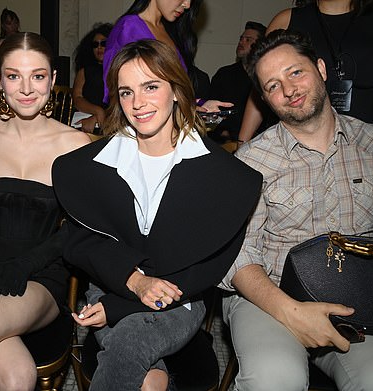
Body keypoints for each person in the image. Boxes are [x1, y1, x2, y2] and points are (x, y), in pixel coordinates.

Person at [220, 29, 373, 391]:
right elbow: (237, 256)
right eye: (273, 85)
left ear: (321, 69)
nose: (288, 90)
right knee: (275, 380)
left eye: (295, 72)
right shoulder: (252, 161)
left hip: (357, 293)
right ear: (265, 99)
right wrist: (292, 313)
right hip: (268, 295)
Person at [52, 39, 262, 391]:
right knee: (150, 383)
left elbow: (208, 266)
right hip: (107, 287)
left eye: (151, 86)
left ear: (177, 90)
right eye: (126, 92)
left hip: (181, 300)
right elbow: (77, 241)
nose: (138, 103)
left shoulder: (223, 176)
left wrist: (118, 307)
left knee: (129, 344)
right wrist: (133, 282)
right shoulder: (94, 164)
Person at [0, 32, 90, 390]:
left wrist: (25, 265)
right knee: (17, 377)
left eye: (38, 76)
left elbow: (78, 229)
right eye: (13, 76)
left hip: (40, 276)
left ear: (53, 80)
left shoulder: (75, 144)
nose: (26, 88)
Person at [237, 0, 373, 144]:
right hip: (297, 145)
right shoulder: (286, 19)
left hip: (363, 145)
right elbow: (263, 87)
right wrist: (242, 144)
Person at [101, 0, 229, 114]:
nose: (187, 4)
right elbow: (114, 93)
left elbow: (169, 89)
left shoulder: (170, 29)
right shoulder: (128, 28)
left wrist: (199, 104)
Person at [208, 21, 274, 142]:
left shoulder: (267, 77)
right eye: (241, 39)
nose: (241, 42)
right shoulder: (224, 74)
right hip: (224, 143)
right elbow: (211, 112)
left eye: (248, 39)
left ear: (259, 45)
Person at [72, 23, 112, 133]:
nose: (99, 47)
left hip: (113, 123)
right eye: (95, 44)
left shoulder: (120, 70)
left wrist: (99, 117)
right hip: (85, 120)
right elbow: (77, 98)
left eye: (104, 43)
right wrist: (98, 111)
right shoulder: (85, 70)